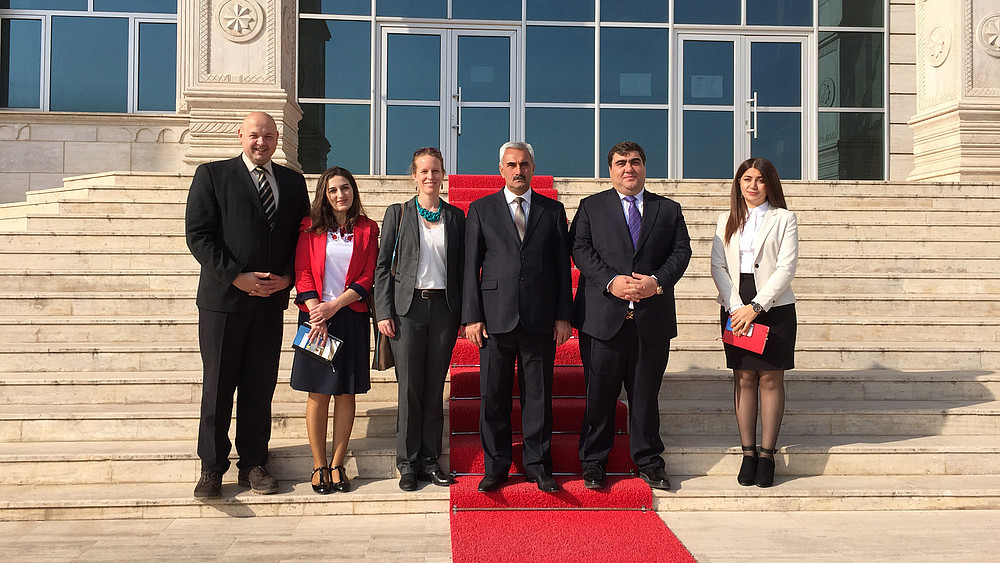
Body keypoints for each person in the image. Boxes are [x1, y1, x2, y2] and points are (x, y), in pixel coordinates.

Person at [185, 111, 309, 498]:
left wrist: (288, 279)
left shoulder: (292, 181)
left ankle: (254, 463)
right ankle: (211, 467)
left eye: (269, 136)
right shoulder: (212, 175)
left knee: (259, 387)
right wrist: (237, 275)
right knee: (218, 387)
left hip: (269, 304)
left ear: (278, 140)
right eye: (255, 135)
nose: (262, 142)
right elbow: (199, 235)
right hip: (224, 302)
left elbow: (302, 239)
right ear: (240, 136)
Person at [571, 141, 692, 491]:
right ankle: (593, 462)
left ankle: (649, 461)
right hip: (602, 320)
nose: (629, 168)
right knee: (599, 397)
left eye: (635, 162)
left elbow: (681, 251)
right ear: (610, 170)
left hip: (650, 321)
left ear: (644, 167)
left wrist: (656, 282)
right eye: (621, 163)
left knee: (644, 396)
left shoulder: (667, 210)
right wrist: (611, 281)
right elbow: (579, 248)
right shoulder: (591, 207)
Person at [463, 141, 573, 494]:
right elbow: (470, 268)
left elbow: (561, 269)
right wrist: (471, 317)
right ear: (501, 169)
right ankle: (496, 466)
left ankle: (538, 466)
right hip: (494, 318)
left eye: (524, 164)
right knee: (493, 396)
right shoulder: (480, 209)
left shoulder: (552, 211)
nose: (518, 170)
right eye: (511, 164)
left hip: (540, 318)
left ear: (533, 168)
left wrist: (562, 316)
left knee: (538, 397)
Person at [374, 147, 465, 492]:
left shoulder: (456, 218)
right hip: (407, 309)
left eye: (436, 171)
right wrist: (383, 311)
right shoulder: (398, 214)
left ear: (443, 175)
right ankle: (407, 463)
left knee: (434, 386)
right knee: (410, 387)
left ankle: (431, 459)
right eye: (424, 171)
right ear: (414, 176)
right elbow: (382, 268)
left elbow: (461, 270)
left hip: (444, 309)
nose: (430, 177)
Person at [710, 157, 798, 488]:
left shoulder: (784, 219)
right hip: (735, 301)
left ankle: (767, 454)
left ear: (770, 184)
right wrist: (736, 307)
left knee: (771, 379)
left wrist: (756, 307)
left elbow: (786, 267)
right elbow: (718, 265)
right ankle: (748, 453)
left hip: (773, 304)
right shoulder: (726, 219)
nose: (752, 185)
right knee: (744, 377)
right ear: (738, 183)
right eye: (747, 179)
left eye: (760, 179)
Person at [291, 166, 379, 494]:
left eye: (345, 188)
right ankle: (318, 465)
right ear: (324, 196)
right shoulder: (309, 228)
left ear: (353, 191)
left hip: (350, 315)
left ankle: (339, 463)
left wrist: (335, 306)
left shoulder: (368, 229)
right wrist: (317, 310)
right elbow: (302, 271)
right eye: (333, 190)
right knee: (318, 393)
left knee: (346, 393)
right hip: (315, 318)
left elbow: (368, 276)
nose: (340, 195)